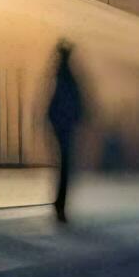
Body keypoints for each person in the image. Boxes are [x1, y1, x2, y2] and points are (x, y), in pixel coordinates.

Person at [46, 41, 87, 223]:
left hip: (61, 129)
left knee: (62, 168)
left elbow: (52, 107)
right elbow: (76, 105)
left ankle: (59, 204)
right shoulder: (68, 78)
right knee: (65, 168)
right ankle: (60, 205)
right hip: (65, 129)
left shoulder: (58, 76)